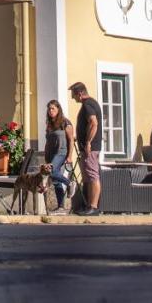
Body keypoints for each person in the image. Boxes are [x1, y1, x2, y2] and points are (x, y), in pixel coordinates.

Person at [70, 82, 102, 216]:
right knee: (88, 176)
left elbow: (94, 123)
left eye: (73, 94)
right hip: (88, 146)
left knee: (92, 175)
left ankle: (93, 207)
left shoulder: (88, 104)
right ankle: (89, 205)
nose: (73, 98)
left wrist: (88, 142)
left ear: (80, 93)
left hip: (90, 148)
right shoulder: (90, 103)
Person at [44, 100, 75, 214]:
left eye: (53, 109)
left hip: (62, 152)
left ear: (58, 110)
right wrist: (46, 155)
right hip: (51, 154)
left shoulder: (65, 123)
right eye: (49, 109)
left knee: (52, 172)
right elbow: (48, 141)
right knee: (56, 180)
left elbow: (71, 140)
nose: (50, 111)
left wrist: (70, 156)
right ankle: (61, 207)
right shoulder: (49, 124)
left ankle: (69, 183)